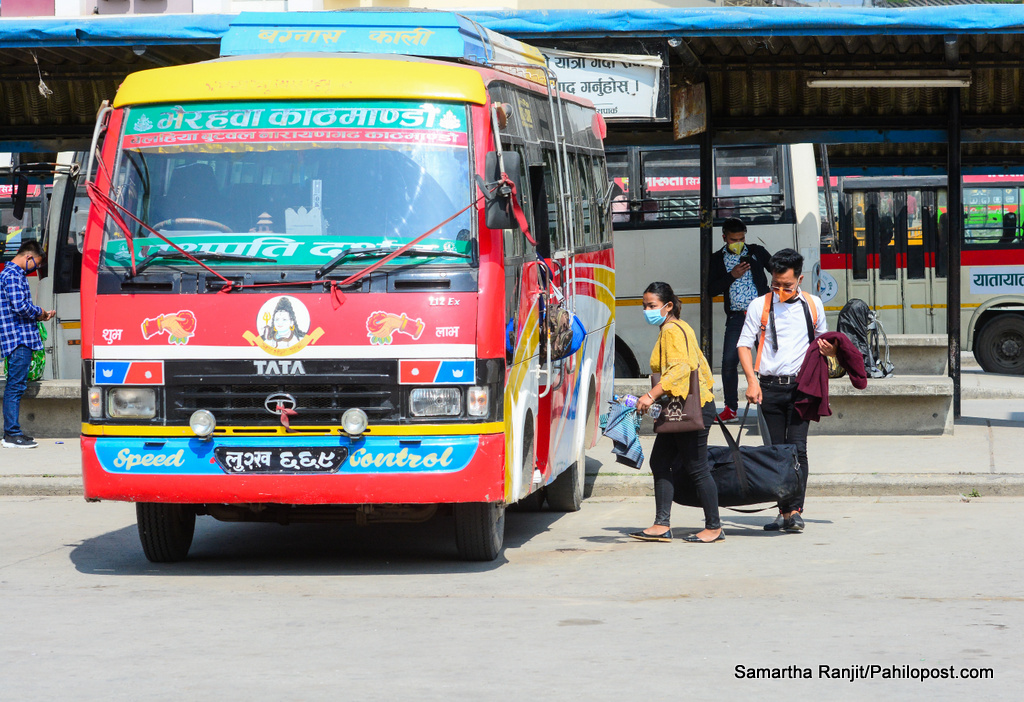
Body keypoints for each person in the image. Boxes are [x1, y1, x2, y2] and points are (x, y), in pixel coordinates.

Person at [737, 248, 835, 533]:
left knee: (797, 450)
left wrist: (828, 350)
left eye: (787, 286)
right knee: (774, 452)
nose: (780, 290)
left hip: (801, 387)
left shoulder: (814, 304)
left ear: (800, 279)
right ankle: (782, 510)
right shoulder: (760, 305)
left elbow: (822, 343)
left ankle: (795, 510)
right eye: (775, 285)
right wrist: (752, 382)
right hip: (768, 387)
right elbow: (744, 344)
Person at [632, 282, 722, 544]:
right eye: (645, 306)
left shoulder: (672, 330)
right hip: (680, 408)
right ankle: (662, 524)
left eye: (652, 306)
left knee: (697, 468)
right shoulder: (677, 328)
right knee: (660, 462)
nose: (647, 310)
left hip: (691, 409)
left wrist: (651, 395)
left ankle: (714, 528)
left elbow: (681, 368)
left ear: (668, 306)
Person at [707, 217, 771, 422]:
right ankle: (730, 408)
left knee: (767, 360)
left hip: (762, 315)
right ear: (724, 237)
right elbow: (711, 289)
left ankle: (769, 403)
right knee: (728, 362)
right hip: (737, 317)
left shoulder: (756, 252)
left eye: (742, 238)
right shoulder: (717, 259)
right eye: (734, 239)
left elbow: (776, 270)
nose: (738, 242)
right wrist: (732, 275)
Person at [1, 240, 55, 449]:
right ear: (28, 257)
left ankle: (12, 433)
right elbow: (21, 307)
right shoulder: (13, 275)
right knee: (15, 387)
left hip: (19, 336)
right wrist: (40, 312)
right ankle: (11, 435)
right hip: (18, 338)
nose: (36, 268)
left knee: (16, 386)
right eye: (37, 264)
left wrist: (39, 314)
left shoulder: (12, 274)